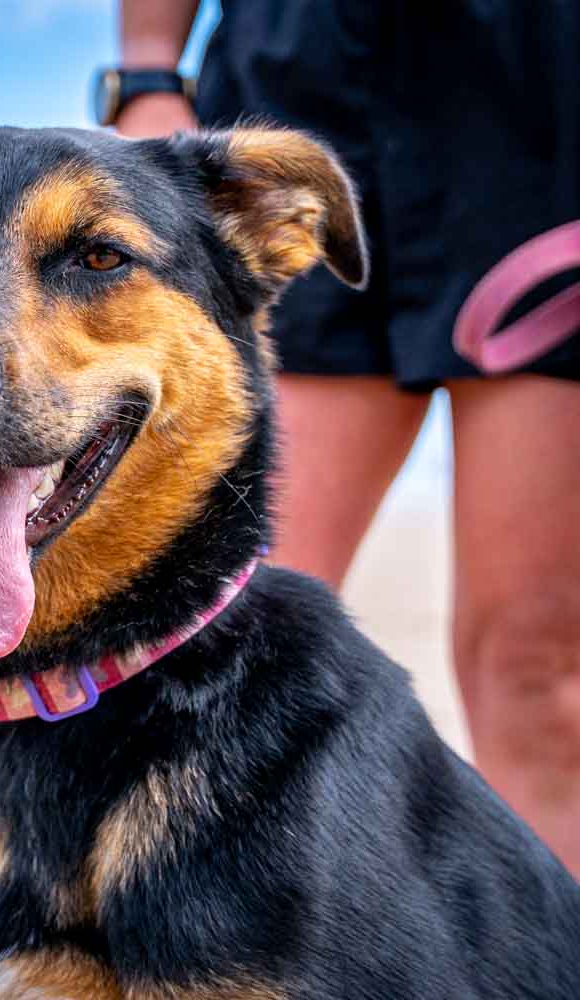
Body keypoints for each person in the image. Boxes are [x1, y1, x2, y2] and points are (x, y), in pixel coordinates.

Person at [94, 0, 580, 875]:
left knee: (541, 668)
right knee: (208, 641)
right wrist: (147, 72)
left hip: (551, 112)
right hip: (300, 97)